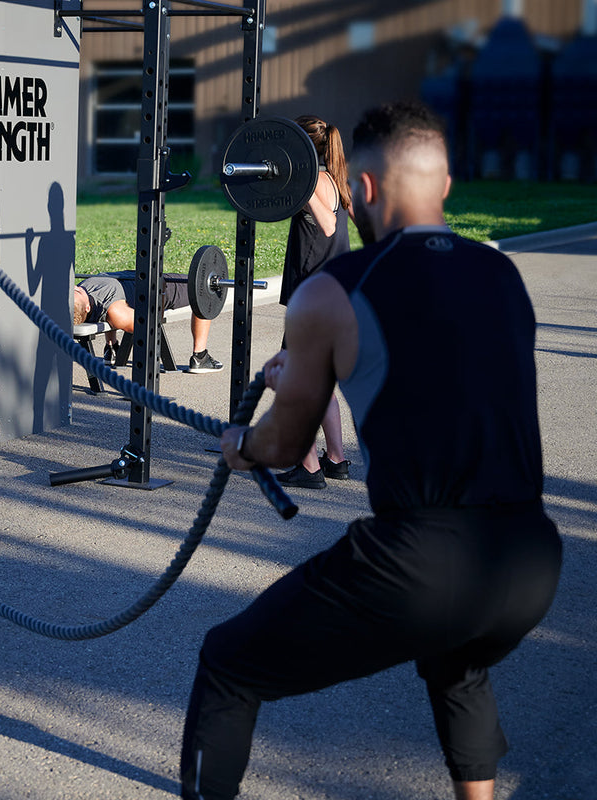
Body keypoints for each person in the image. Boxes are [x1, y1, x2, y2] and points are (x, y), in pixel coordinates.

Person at [180, 100, 562, 800]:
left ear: (362, 190)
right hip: (530, 559)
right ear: (445, 185)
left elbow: (285, 444)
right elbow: (441, 367)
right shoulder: (502, 278)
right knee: (457, 663)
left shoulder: (334, 290)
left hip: (425, 558)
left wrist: (243, 444)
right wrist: (309, 372)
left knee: (228, 663)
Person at [276, 115, 352, 489]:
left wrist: (303, 190)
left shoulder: (316, 182)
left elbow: (327, 226)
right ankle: (336, 458)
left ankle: (308, 467)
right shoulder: (334, 179)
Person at [73, 270, 223, 373]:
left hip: (136, 276)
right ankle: (200, 357)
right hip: (156, 286)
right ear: (87, 307)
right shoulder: (117, 312)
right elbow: (147, 326)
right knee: (203, 288)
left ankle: (111, 350)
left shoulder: (86, 300)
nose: (74, 287)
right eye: (76, 292)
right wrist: (160, 295)